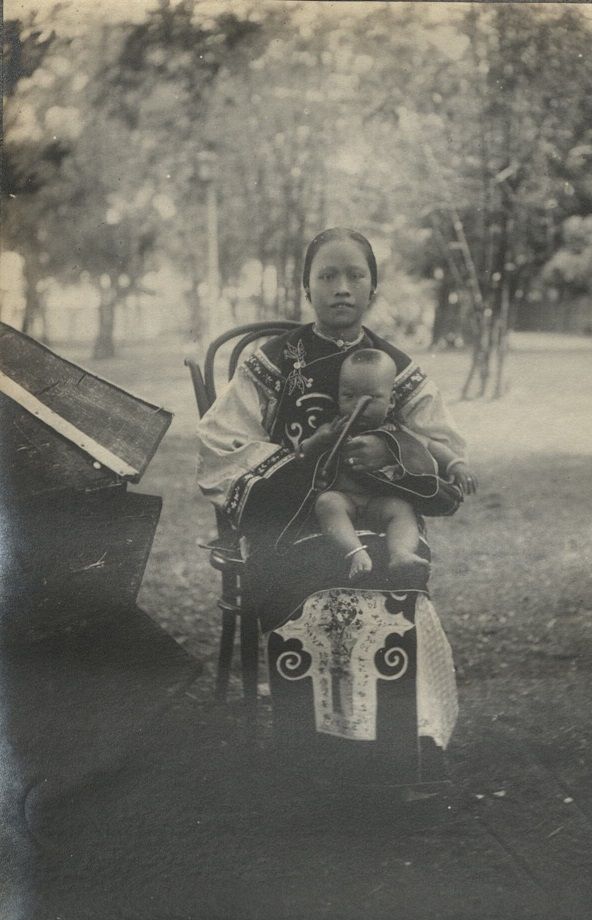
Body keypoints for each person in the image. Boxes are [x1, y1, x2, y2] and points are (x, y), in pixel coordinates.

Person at [197, 226, 477, 794]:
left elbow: (445, 460)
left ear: (373, 287)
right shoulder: (273, 361)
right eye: (327, 275)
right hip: (290, 526)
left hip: (384, 525)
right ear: (306, 286)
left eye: (355, 276)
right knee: (318, 582)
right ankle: (318, 763)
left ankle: (399, 756)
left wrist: (392, 453)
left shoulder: (397, 369)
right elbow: (222, 446)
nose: (341, 288)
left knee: (396, 581)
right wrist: (306, 463)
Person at [304, 348, 467, 583]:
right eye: (348, 396)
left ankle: (401, 553)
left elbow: (430, 445)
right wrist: (319, 439)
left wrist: (455, 464)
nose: (359, 405)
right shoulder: (334, 429)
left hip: (379, 503)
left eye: (371, 398)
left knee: (402, 510)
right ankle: (355, 552)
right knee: (327, 503)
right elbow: (303, 452)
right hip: (345, 499)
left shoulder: (395, 430)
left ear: (391, 402)